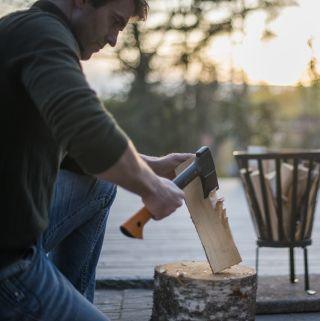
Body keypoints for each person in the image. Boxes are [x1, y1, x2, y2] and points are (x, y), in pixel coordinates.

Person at [0, 0, 192, 319]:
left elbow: (71, 147)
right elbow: (85, 127)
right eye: (115, 22)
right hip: (9, 263)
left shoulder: (27, 31)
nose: (114, 39)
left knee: (100, 187)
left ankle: (72, 301)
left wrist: (152, 167)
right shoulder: (43, 36)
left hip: (15, 227)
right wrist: (151, 188)